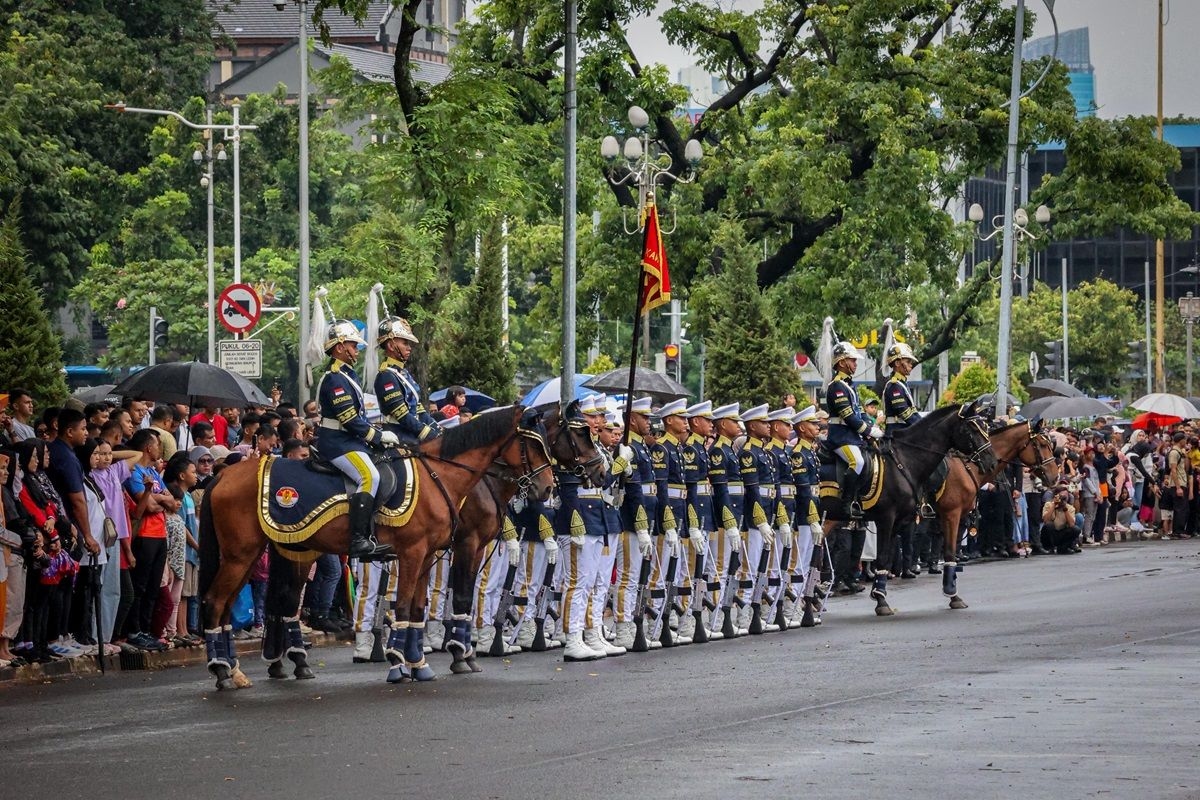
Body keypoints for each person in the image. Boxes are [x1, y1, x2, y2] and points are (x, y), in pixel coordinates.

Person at [316, 318, 399, 560]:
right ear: (340, 347)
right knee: (369, 476)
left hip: (350, 441)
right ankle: (358, 539)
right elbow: (349, 419)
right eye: (353, 345)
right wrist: (378, 436)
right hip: (336, 442)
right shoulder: (334, 378)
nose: (356, 350)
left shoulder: (347, 375)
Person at [123, 429, 172, 652]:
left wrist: (158, 497)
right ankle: (134, 630)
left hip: (161, 535)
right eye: (157, 444)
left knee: (153, 588)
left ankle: (147, 630)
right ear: (147, 447)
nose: (160, 449)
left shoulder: (153, 471)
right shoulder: (135, 472)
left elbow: (174, 501)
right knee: (140, 586)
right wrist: (160, 500)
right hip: (144, 535)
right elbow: (148, 506)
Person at [823, 341, 882, 518]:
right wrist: (868, 431)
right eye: (853, 360)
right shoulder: (836, 386)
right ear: (842, 363)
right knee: (858, 462)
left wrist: (872, 428)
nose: (856, 364)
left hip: (852, 436)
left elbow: (860, 412)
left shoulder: (849, 385)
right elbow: (848, 416)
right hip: (840, 437)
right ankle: (847, 503)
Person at [374, 316, 441, 443]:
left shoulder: (403, 373)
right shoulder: (386, 375)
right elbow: (401, 414)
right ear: (391, 345)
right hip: (398, 435)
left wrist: (438, 429)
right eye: (405, 343)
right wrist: (427, 433)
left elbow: (419, 409)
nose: (409, 347)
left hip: (411, 434)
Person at [882, 343, 919, 429]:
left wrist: (928, 423)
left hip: (903, 431)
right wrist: (923, 426)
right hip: (895, 433)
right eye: (908, 362)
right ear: (897, 363)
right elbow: (904, 413)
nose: (911, 364)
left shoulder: (902, 384)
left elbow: (914, 413)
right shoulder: (894, 385)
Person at [1040, 485, 1082, 554]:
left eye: (1065, 496)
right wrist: (1054, 505)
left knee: (1076, 529)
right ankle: (1050, 548)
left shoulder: (1070, 508)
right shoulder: (1048, 504)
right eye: (1061, 496)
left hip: (1062, 533)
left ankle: (1063, 548)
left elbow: (1072, 524)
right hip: (1050, 534)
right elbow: (1045, 520)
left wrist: (1065, 508)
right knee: (1049, 525)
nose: (1063, 498)